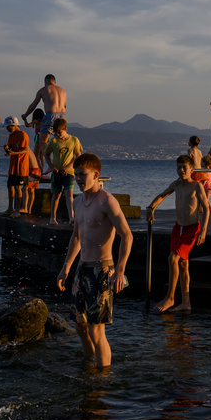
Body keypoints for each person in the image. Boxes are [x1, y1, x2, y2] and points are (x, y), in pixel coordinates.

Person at [56, 152, 133, 368]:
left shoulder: (107, 201)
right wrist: (66, 268)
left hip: (102, 270)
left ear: (96, 174)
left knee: (96, 330)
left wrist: (119, 270)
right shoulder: (78, 202)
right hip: (82, 269)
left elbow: (127, 235)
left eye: (83, 174)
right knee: (80, 326)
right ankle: (89, 365)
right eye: (76, 174)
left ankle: (102, 378)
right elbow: (76, 238)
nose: (78, 178)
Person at [145, 155, 211, 312]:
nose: (181, 170)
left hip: (191, 229)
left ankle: (170, 298)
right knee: (183, 265)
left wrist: (203, 230)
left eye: (184, 168)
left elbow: (207, 208)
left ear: (191, 170)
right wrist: (150, 207)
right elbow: (163, 195)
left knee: (173, 258)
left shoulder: (196, 186)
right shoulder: (176, 184)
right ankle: (186, 303)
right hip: (178, 228)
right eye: (179, 167)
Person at [44, 118, 83, 225]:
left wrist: (68, 166)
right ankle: (53, 217)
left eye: (60, 132)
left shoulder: (74, 140)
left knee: (68, 194)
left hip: (69, 172)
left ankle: (72, 218)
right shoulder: (54, 141)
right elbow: (46, 154)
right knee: (56, 195)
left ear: (65, 129)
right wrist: (51, 167)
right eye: (56, 132)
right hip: (56, 172)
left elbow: (78, 156)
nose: (58, 134)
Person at [3, 116, 33, 215]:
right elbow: (10, 149)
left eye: (9, 127)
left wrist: (13, 153)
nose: (8, 129)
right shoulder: (11, 136)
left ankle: (17, 210)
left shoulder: (23, 135)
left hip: (21, 166)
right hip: (13, 166)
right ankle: (10, 208)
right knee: (10, 186)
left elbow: (25, 150)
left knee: (17, 187)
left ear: (14, 125)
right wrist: (7, 149)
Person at [186, 135, 211, 202]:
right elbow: (201, 160)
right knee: (199, 189)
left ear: (190, 142)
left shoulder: (190, 150)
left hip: (194, 172)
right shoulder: (199, 151)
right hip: (200, 171)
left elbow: (189, 160)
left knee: (192, 189)